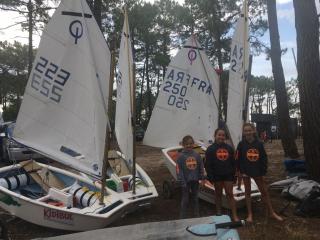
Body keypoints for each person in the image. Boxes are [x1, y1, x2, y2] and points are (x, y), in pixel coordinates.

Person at [236, 123, 283, 222]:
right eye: (246, 131)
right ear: (244, 132)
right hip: (245, 171)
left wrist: (263, 170)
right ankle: (250, 214)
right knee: (247, 192)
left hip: (257, 171)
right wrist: (240, 170)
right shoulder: (241, 144)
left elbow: (263, 158)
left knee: (264, 192)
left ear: (253, 131)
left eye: (250, 130)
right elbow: (238, 158)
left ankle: (272, 213)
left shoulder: (259, 143)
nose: (248, 132)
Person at [205, 128, 239, 221]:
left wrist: (234, 175)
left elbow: (234, 163)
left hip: (228, 175)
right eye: (219, 135)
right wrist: (210, 176)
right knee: (218, 194)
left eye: (223, 135)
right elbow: (208, 164)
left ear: (225, 137)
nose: (221, 137)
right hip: (217, 176)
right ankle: (219, 213)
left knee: (230, 194)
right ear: (215, 136)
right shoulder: (210, 149)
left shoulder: (229, 148)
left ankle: (235, 215)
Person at [176, 135, 205, 219]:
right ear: (183, 145)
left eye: (190, 143)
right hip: (185, 182)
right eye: (187, 144)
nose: (189, 145)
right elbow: (179, 169)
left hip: (195, 181)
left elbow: (201, 166)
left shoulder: (196, 155)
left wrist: (203, 178)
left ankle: (196, 215)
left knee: (195, 198)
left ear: (193, 144)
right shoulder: (180, 156)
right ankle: (182, 217)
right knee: (185, 199)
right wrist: (182, 181)